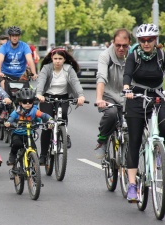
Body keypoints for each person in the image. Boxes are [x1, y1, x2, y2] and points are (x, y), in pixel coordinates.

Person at [123, 24, 165, 202]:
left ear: (156, 40)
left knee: (163, 128)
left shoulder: (162, 55)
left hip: (156, 97)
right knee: (134, 140)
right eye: (142, 40)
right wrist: (126, 88)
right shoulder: (133, 56)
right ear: (139, 41)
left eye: (150, 40)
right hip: (137, 98)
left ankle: (158, 154)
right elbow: (127, 75)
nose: (146, 43)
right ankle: (132, 185)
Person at [36, 47, 85, 165]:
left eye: (60, 58)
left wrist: (81, 96)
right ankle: (43, 155)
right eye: (55, 58)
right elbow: (41, 81)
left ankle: (64, 133)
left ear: (64, 59)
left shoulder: (69, 69)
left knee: (63, 114)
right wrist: (39, 94)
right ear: (52, 59)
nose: (57, 61)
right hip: (47, 97)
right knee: (48, 124)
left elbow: (75, 82)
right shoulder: (46, 68)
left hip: (63, 97)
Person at [94, 28, 132, 159]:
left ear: (129, 44)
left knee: (135, 121)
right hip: (109, 95)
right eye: (118, 45)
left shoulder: (133, 55)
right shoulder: (106, 56)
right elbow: (101, 78)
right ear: (113, 43)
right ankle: (102, 140)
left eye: (125, 46)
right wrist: (99, 98)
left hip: (128, 96)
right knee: (111, 113)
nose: (121, 48)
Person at [5, 88, 54, 165]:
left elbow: (44, 115)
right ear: (20, 103)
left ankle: (35, 167)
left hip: (28, 134)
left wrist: (50, 120)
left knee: (33, 149)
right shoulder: (17, 112)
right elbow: (11, 119)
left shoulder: (34, 111)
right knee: (17, 144)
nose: (27, 104)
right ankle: (12, 155)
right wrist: (8, 123)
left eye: (30, 102)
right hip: (17, 134)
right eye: (25, 102)